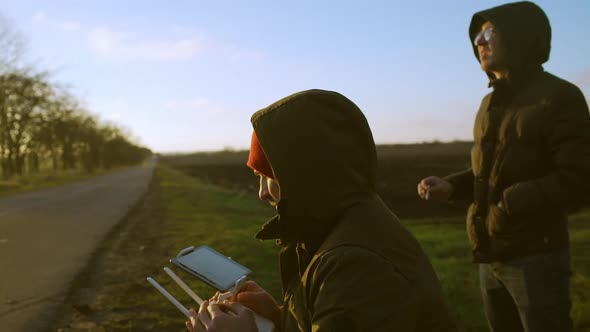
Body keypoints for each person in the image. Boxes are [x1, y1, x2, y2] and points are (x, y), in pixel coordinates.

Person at [187, 89, 457, 331]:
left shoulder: (354, 263)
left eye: (269, 175)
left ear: (306, 173)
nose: (262, 192)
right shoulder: (346, 220)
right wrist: (283, 319)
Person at [417, 2, 590, 331]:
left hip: (536, 259)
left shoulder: (559, 97)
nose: (478, 42)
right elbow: (490, 173)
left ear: (520, 37)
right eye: (477, 35)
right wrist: (452, 186)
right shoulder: (488, 103)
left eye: (488, 32)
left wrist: (512, 202)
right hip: (490, 257)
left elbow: (580, 177)